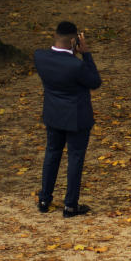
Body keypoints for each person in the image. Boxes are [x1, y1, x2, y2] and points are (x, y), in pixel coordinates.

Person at [34, 21, 101, 218]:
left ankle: (44, 198)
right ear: (74, 41)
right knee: (75, 159)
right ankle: (70, 204)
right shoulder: (76, 65)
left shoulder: (40, 57)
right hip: (77, 117)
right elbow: (95, 81)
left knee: (52, 154)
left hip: (54, 115)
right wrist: (86, 53)